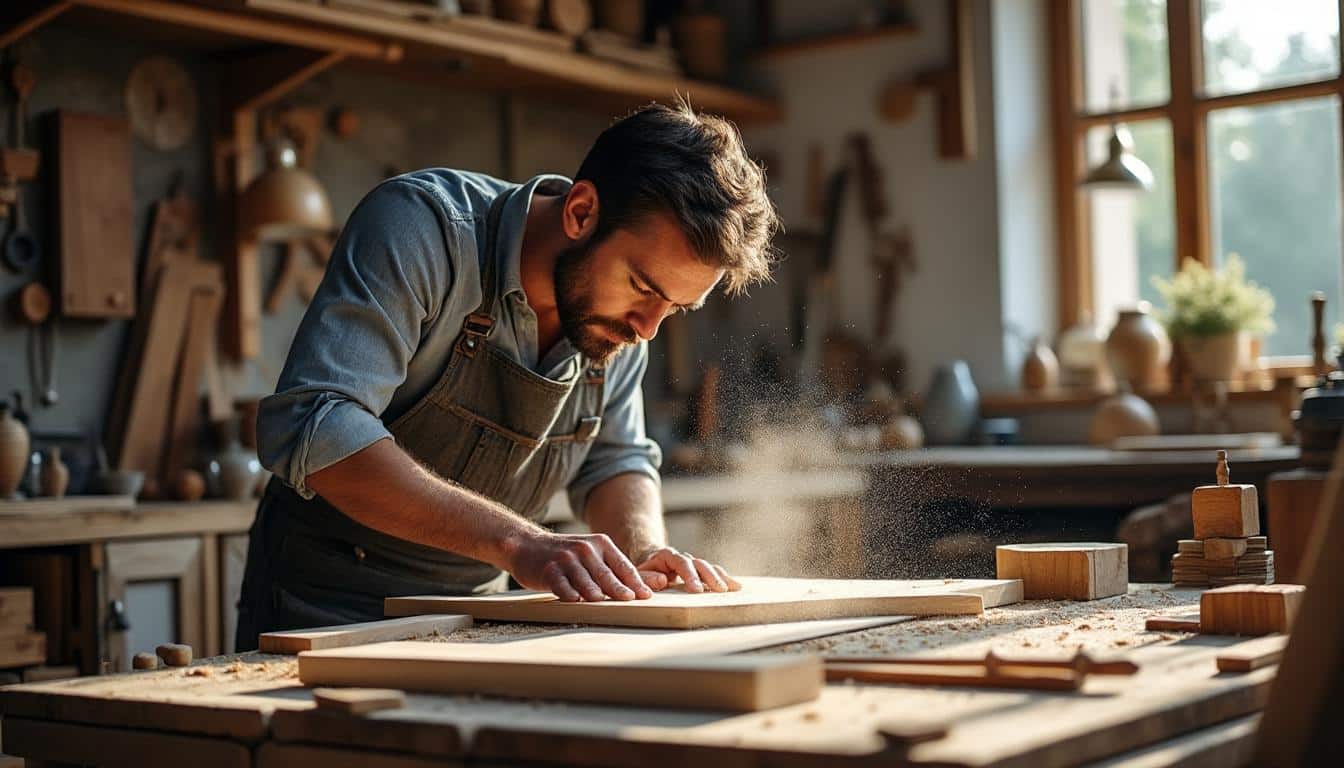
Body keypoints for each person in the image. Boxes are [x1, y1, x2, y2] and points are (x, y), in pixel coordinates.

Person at [234, 100, 780, 648]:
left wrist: (640, 552)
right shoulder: (426, 230)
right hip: (323, 607)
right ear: (582, 213)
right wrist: (520, 543)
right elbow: (316, 422)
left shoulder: (616, 322)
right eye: (643, 287)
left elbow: (616, 458)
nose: (647, 329)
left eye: (676, 308)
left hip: (475, 614)